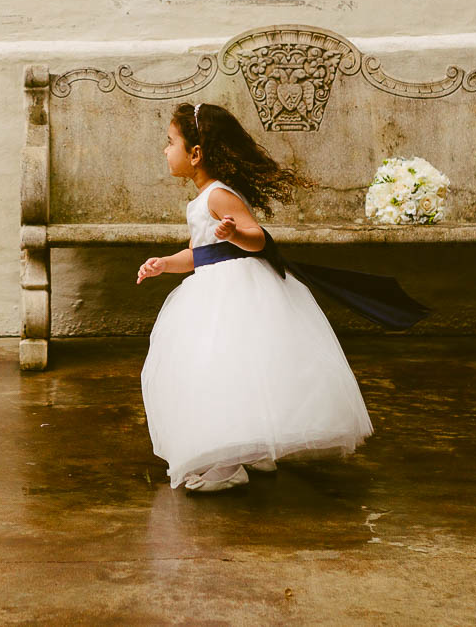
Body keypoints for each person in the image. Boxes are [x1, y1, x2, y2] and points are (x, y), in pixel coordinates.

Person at [136, 102, 373, 491]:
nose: (165, 150)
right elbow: (200, 253)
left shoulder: (218, 196)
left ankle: (227, 466)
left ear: (195, 154)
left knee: (224, 368)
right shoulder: (203, 199)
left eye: (169, 142)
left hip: (233, 292)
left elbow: (257, 236)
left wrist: (236, 234)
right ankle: (251, 448)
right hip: (215, 282)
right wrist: (165, 263)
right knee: (236, 371)